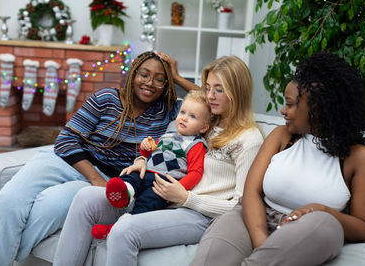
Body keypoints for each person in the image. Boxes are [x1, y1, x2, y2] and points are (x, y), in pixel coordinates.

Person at [53, 55, 264, 266]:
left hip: (199, 213)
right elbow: (169, 146)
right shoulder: (202, 120)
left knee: (124, 231)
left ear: (237, 91)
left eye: (219, 89)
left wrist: (187, 198)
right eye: (207, 87)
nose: (210, 96)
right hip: (159, 195)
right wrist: (142, 160)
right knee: (85, 197)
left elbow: (243, 205)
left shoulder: (248, 139)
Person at [0, 51, 191, 266]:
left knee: (49, 208)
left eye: (159, 79)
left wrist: (178, 78)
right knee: (8, 201)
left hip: (103, 178)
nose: (150, 83)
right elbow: (66, 139)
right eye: (144, 74)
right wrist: (96, 179)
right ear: (133, 73)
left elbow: (211, 105)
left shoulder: (168, 110)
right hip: (65, 161)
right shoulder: (107, 97)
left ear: (166, 83)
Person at [190, 52, 365, 266]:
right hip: (255, 217)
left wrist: (322, 210)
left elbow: (364, 227)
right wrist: (261, 240)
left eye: (289, 104)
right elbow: (251, 191)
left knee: (326, 223)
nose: (283, 110)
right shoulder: (282, 136)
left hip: (310, 229)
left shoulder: (358, 158)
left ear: (316, 107)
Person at [91, 89, 213, 240]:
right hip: (146, 172)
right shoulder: (168, 134)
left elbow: (196, 173)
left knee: (148, 202)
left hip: (164, 182)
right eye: (182, 112)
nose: (184, 118)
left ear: (203, 128)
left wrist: (177, 189)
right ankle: (125, 193)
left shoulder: (196, 144)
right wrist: (145, 148)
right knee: (131, 176)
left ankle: (118, 227)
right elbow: (150, 154)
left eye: (192, 116)